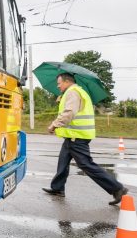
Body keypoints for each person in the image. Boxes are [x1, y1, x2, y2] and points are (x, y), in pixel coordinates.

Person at [42, 73, 128, 206]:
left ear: (67, 81)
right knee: (63, 161)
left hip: (77, 136)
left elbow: (69, 113)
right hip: (73, 136)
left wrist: (54, 124)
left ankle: (117, 188)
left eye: (59, 83)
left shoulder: (73, 93)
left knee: (86, 164)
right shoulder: (76, 92)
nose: (57, 86)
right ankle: (57, 188)